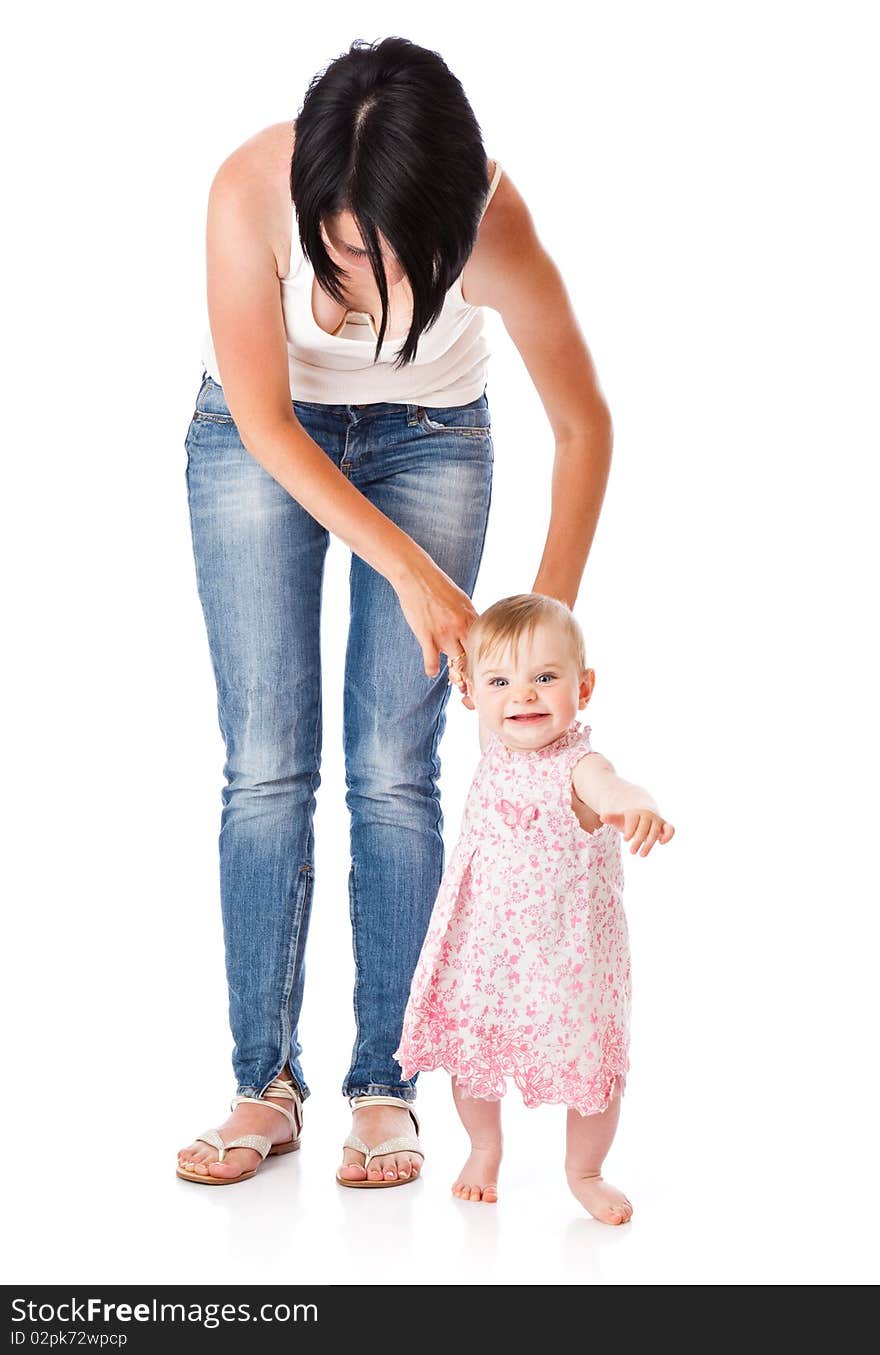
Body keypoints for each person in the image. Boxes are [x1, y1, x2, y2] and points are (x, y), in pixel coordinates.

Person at [176, 35, 615, 1188]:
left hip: (430, 439)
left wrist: (537, 643)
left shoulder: (493, 225)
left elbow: (584, 425)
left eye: (395, 262)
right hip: (254, 437)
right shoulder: (247, 195)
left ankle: (386, 1083)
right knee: (267, 756)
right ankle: (262, 1083)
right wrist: (413, 570)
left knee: (394, 763)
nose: (361, 286)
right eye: (339, 255)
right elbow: (267, 423)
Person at [395, 593, 675, 1221]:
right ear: (471, 694)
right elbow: (483, 674)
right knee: (474, 1050)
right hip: (486, 946)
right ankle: (483, 1146)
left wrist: (635, 804)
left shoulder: (580, 764)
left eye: (545, 678)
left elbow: (612, 786)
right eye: (501, 682)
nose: (523, 696)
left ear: (585, 685)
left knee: (593, 1065)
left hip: (567, 955)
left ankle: (586, 1170)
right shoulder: (494, 743)